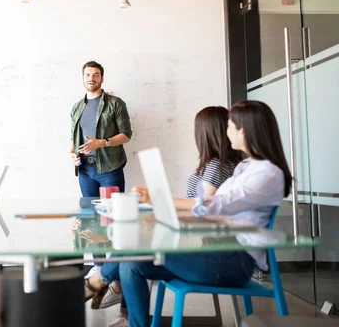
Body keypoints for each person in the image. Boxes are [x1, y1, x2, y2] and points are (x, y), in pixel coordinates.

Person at [85, 100, 292, 327]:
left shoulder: (268, 173)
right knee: (131, 264)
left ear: (244, 130)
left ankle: (97, 282)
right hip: (218, 252)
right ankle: (129, 315)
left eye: (230, 125)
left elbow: (217, 204)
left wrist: (158, 200)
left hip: (233, 262)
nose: (227, 130)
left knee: (135, 249)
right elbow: (214, 211)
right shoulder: (245, 168)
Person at [69, 61, 132, 198]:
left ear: (102, 79)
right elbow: (74, 138)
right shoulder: (76, 107)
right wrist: (72, 154)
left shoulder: (115, 103)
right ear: (83, 78)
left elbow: (126, 135)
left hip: (110, 168)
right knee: (89, 215)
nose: (91, 78)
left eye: (96, 75)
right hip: (84, 170)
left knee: (112, 214)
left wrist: (101, 143)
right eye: (88, 75)